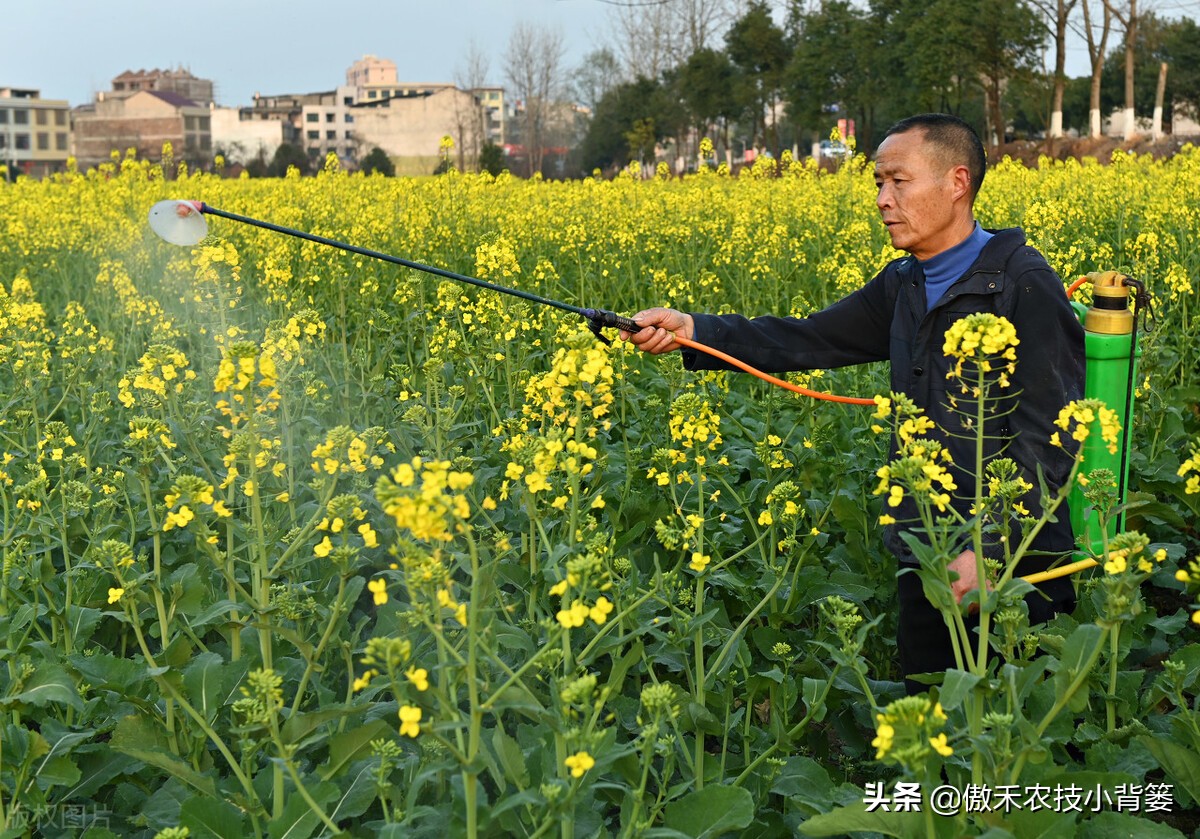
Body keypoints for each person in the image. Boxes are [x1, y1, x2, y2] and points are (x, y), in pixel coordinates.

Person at [621, 113, 1084, 693]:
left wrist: (988, 551)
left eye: (898, 181)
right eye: (877, 184)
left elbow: (1052, 436)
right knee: (932, 734)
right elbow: (806, 337)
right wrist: (693, 330)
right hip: (928, 543)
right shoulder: (907, 283)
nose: (883, 200)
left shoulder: (1024, 284)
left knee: (1018, 747)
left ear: (957, 182)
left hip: (1017, 564)